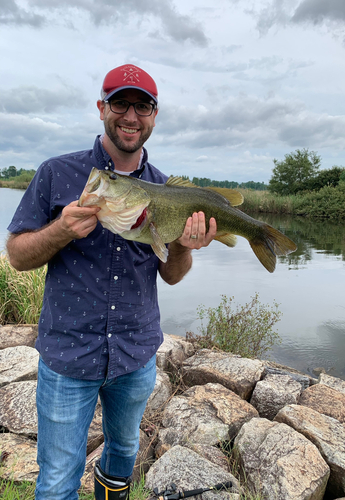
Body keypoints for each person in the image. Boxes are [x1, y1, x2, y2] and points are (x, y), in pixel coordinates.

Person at [6, 64, 217, 500]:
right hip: (67, 355)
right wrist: (61, 230)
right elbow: (16, 257)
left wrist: (183, 245)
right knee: (58, 479)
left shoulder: (166, 190)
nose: (131, 115)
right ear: (102, 107)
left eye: (143, 106)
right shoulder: (56, 173)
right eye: (121, 103)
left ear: (154, 116)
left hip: (134, 355)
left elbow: (172, 277)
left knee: (122, 451)